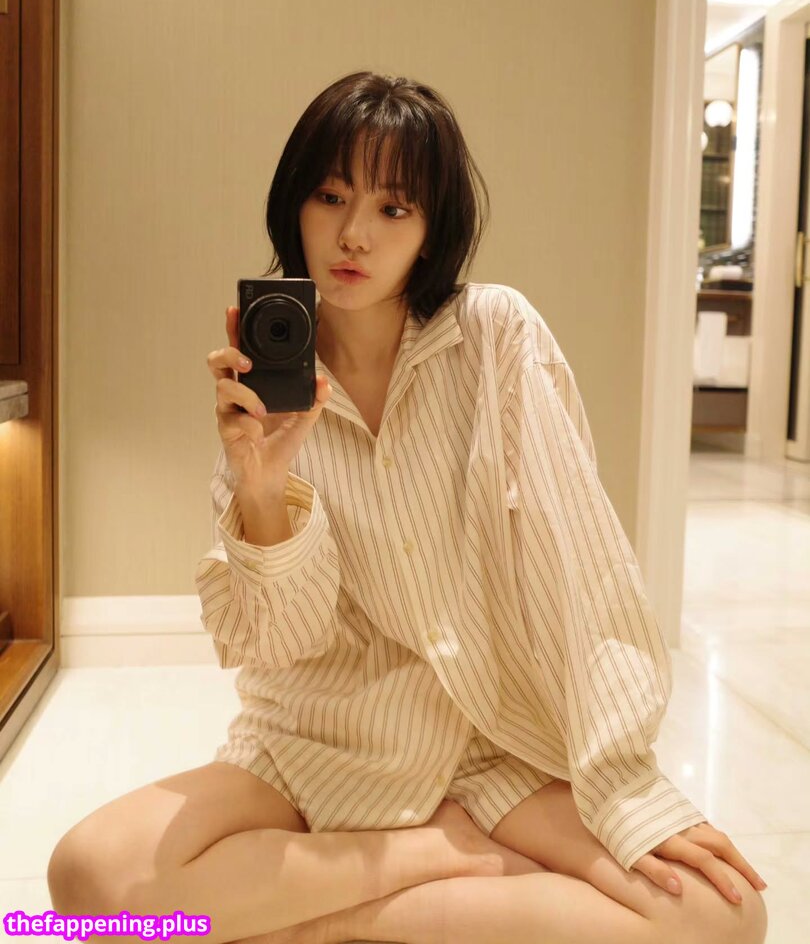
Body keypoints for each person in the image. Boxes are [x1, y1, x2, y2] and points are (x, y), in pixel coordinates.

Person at [47, 72, 768, 944]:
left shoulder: (497, 336)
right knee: (89, 876)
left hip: (492, 741)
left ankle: (310, 919)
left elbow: (582, 567)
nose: (354, 233)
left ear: (433, 232)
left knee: (723, 916)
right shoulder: (269, 387)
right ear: (294, 205)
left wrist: (623, 785)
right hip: (315, 745)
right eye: (331, 196)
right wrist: (264, 485)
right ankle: (430, 860)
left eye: (394, 208)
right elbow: (276, 643)